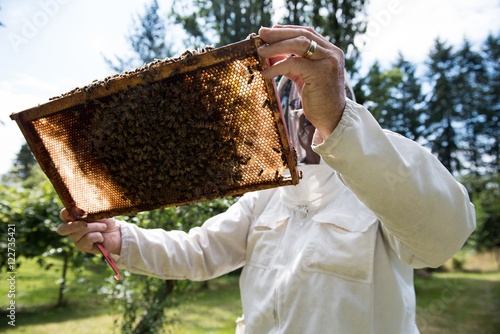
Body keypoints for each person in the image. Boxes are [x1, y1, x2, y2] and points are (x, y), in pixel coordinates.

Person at [58, 26, 476, 333]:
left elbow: (442, 237)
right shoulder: (268, 193)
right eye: (290, 100)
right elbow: (200, 252)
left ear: (343, 101)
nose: (302, 111)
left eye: (314, 97)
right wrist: (123, 240)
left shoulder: (384, 178)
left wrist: (339, 123)